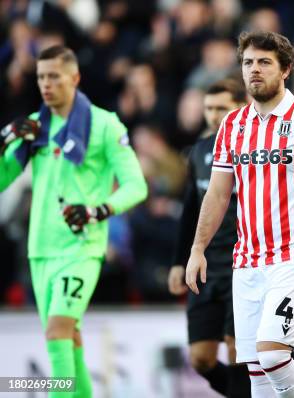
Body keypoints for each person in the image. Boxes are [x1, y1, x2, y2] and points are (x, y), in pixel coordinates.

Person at [185, 31, 294, 398]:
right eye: (248, 63)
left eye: (264, 62)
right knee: (255, 371)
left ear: (286, 69)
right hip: (247, 261)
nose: (254, 70)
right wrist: (197, 249)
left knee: (273, 356)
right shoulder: (232, 126)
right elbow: (216, 195)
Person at [0, 45, 147, 397]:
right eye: (41, 77)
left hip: (81, 248)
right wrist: (5, 141)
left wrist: (98, 211)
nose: (46, 85)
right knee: (69, 337)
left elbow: (136, 186)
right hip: (40, 249)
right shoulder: (35, 127)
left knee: (57, 331)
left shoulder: (104, 124)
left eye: (54, 76)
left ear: (75, 78)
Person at [167, 79, 251, 397]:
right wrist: (179, 261)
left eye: (221, 108)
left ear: (241, 109)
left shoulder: (256, 151)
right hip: (206, 265)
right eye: (209, 109)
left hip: (243, 262)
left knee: (238, 351)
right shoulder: (200, 151)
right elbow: (191, 210)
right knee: (201, 358)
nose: (214, 116)